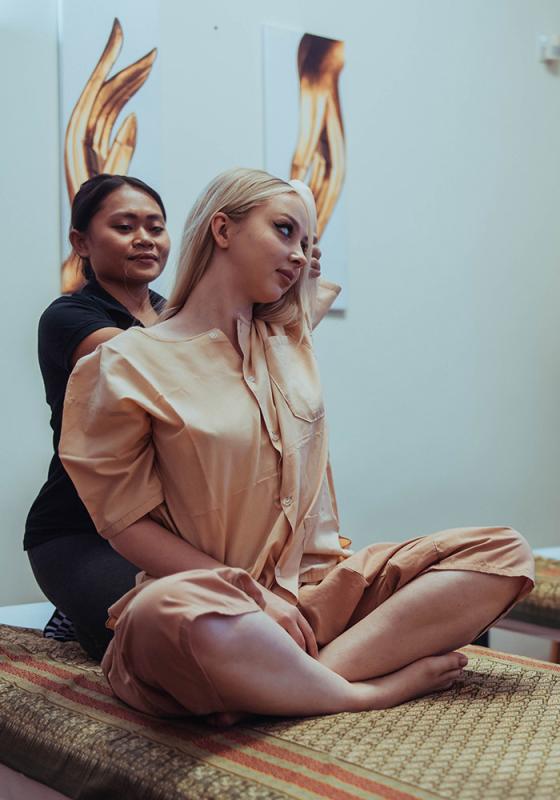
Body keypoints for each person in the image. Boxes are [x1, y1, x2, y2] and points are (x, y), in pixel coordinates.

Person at [59, 168, 534, 720]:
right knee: (163, 611)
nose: (298, 254)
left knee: (504, 552)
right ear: (222, 229)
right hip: (213, 601)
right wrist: (252, 598)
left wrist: (297, 243)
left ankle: (293, 679)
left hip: (314, 595)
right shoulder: (123, 364)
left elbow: (303, 288)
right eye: (284, 231)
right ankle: (358, 689)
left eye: (307, 244)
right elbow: (124, 524)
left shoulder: (287, 343)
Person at [24, 174, 170, 661]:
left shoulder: (181, 316)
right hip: (77, 533)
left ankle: (82, 620)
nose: (144, 238)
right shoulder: (69, 317)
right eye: (125, 226)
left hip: (164, 531)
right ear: (81, 242)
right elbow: (144, 363)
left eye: (155, 225)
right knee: (174, 644)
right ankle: (83, 613)